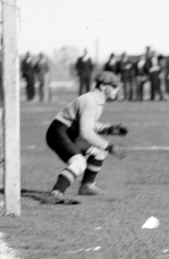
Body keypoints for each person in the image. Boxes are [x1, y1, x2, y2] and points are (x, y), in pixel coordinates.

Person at [40, 71, 127, 203]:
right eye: (114, 86)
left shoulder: (96, 100)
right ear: (103, 86)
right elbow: (86, 133)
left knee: (99, 153)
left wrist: (107, 129)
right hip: (58, 133)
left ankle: (87, 186)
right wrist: (109, 146)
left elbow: (87, 123)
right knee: (79, 162)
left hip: (69, 132)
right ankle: (56, 194)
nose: (117, 89)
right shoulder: (91, 101)